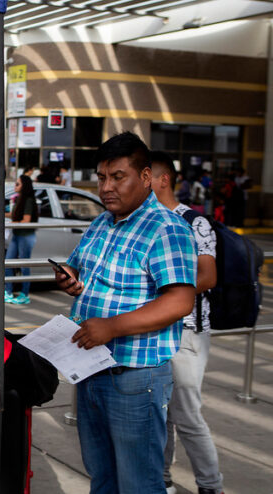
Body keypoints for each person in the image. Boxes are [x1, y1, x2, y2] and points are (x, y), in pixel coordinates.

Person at [55, 132, 197, 494]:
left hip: (134, 377)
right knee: (102, 477)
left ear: (146, 177)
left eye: (118, 177)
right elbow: (81, 270)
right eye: (102, 178)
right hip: (91, 367)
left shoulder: (166, 228)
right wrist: (72, 280)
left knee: (138, 482)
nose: (107, 187)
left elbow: (180, 301)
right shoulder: (103, 222)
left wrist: (112, 327)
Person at [151, 151, 224, 494]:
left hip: (187, 332)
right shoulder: (145, 220)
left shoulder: (194, 223)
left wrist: (164, 294)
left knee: (188, 415)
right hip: (153, 329)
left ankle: (210, 485)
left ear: (163, 180)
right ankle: (162, 479)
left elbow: (207, 277)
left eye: (144, 175)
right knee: (161, 413)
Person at [5, 174, 37, 305]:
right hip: (17, 234)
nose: (15, 186)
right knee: (8, 262)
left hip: (25, 235)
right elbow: (14, 215)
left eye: (17, 184)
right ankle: (8, 292)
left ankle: (25, 294)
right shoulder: (19, 199)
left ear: (24, 185)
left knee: (24, 266)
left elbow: (26, 220)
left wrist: (13, 222)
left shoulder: (28, 199)